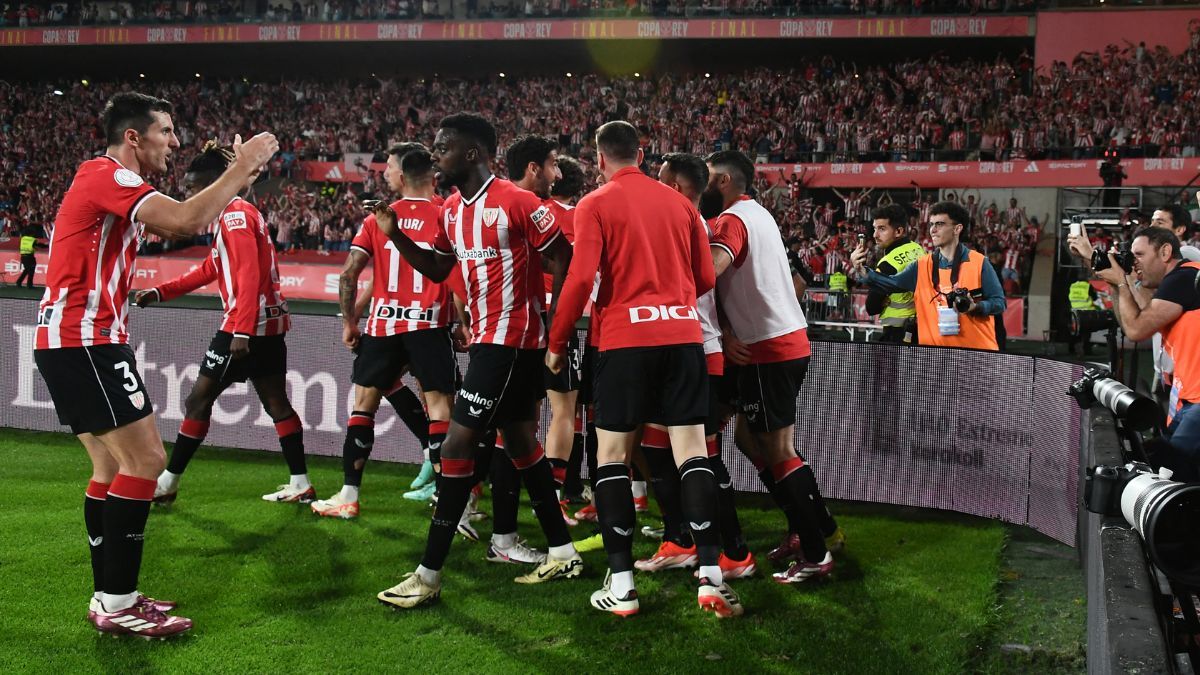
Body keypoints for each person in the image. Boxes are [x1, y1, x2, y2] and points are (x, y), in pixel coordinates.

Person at [33, 91, 277, 637]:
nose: (175, 141)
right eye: (166, 131)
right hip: (85, 339)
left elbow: (182, 223)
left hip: (77, 339)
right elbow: (189, 217)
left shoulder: (113, 185)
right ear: (134, 138)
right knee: (145, 462)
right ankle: (119, 605)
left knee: (110, 469)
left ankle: (110, 595)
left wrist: (242, 177)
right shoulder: (104, 174)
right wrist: (240, 166)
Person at [372, 113, 582, 610]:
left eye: (444, 146)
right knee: (522, 443)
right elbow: (441, 267)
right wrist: (396, 235)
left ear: (471, 154)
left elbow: (563, 259)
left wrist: (553, 331)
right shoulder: (450, 210)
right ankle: (563, 550)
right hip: (490, 341)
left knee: (458, 446)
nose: (435, 152)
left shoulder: (519, 201)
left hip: (511, 343)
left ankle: (428, 575)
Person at [549, 122, 739, 618]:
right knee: (693, 453)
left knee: (611, 456)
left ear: (598, 158)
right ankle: (711, 575)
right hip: (682, 339)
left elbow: (581, 277)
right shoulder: (679, 202)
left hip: (622, 342)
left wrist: (556, 341)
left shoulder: (594, 204)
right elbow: (702, 277)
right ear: (642, 153)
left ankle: (624, 586)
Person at [140, 141, 312, 506]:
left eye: (191, 187)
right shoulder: (235, 214)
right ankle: (300, 482)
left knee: (197, 401)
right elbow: (212, 268)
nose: (187, 194)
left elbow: (248, 275)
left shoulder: (233, 214)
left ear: (213, 183)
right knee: (277, 404)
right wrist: (161, 292)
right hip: (266, 326)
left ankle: (168, 483)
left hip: (245, 327)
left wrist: (242, 329)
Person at [701, 150, 838, 585]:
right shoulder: (758, 213)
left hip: (767, 349)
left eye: (705, 178)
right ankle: (810, 529)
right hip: (780, 341)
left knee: (778, 451)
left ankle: (817, 551)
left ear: (722, 180)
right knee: (747, 438)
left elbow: (710, 272)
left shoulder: (731, 221)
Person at [309, 144, 464, 521]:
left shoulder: (378, 219)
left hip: (384, 327)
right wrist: (464, 323)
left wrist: (350, 321)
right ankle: (452, 503)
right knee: (443, 411)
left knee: (364, 406)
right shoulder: (449, 213)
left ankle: (348, 496)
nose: (385, 173)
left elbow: (349, 275)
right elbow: (458, 277)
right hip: (429, 324)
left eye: (389, 167)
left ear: (401, 174)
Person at [633, 151, 755, 581]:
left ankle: (734, 552)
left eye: (661, 179)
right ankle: (681, 540)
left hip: (695, 352)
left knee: (702, 457)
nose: (654, 185)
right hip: (685, 350)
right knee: (655, 447)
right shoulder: (688, 225)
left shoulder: (687, 226)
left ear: (679, 187)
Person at [504, 134, 579, 528]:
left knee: (518, 417)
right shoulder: (570, 216)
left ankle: (491, 495)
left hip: (509, 329)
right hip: (553, 323)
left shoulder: (506, 205)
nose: (557, 171)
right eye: (553, 163)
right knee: (566, 411)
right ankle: (555, 496)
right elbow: (575, 266)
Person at [1094, 226, 1200, 472]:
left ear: (1165, 252)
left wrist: (1121, 282)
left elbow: (1136, 330)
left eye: (1139, 255)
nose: (1134, 262)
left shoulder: (1183, 278)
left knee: (1171, 470)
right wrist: (1117, 281)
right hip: (1190, 397)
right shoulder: (1178, 282)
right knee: (1169, 463)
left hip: (1197, 399)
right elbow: (1142, 312)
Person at [852, 201, 1005, 351]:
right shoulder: (921, 264)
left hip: (974, 356)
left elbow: (999, 303)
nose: (933, 230)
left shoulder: (980, 263)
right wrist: (861, 269)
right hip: (933, 358)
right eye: (932, 224)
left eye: (940, 224)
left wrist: (976, 307)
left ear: (957, 229)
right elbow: (890, 283)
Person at [863, 204, 926, 343]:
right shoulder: (918, 249)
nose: (875, 235)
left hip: (896, 331)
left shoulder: (888, 263)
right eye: (875, 229)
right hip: (920, 328)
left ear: (898, 231)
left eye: (882, 229)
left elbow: (871, 307)